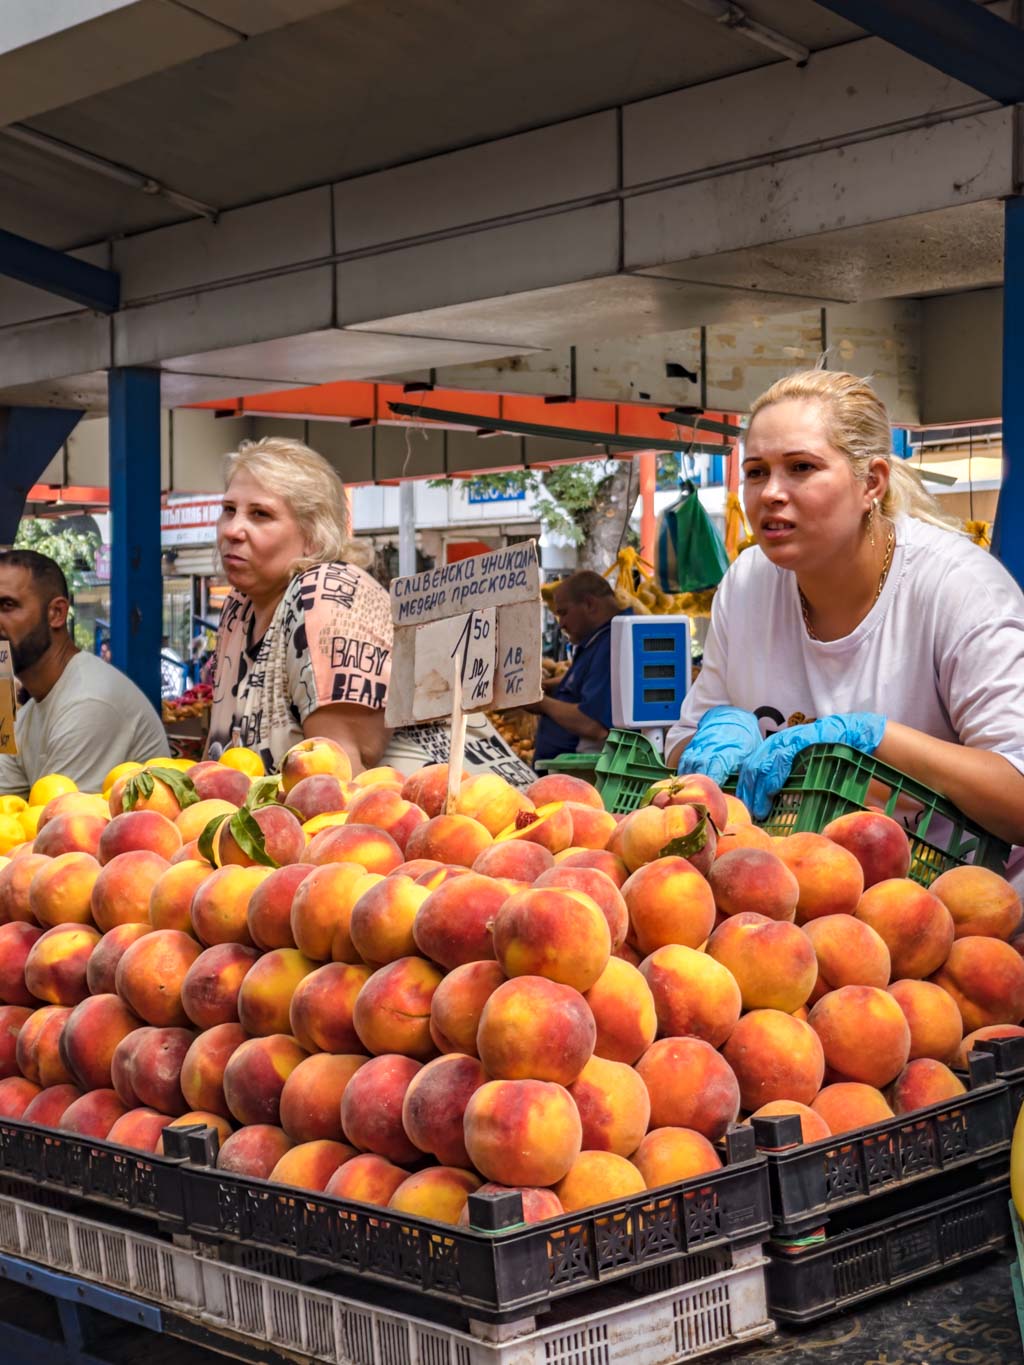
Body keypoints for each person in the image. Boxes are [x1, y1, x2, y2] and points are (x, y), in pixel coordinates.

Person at [664, 369, 1024, 867]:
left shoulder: (960, 590)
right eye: (756, 472)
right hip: (794, 889)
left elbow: (1017, 795)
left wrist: (873, 739)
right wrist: (713, 733)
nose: (770, 493)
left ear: (871, 482)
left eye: (801, 467)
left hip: (959, 896)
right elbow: (680, 746)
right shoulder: (746, 584)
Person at [206, 437, 393, 776]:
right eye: (229, 510)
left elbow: (338, 783)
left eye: (260, 514)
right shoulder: (239, 607)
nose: (232, 530)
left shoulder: (326, 596)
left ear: (313, 536)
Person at [0, 550, 169, 795]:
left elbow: (63, 817)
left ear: (57, 613)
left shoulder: (88, 702)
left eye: (7, 605)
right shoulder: (28, 713)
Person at [530, 571, 629, 765]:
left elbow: (593, 725)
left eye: (563, 613)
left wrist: (540, 703)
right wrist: (549, 685)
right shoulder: (598, 640)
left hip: (579, 774)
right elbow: (590, 681)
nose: (561, 624)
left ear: (590, 604)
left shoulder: (613, 644)